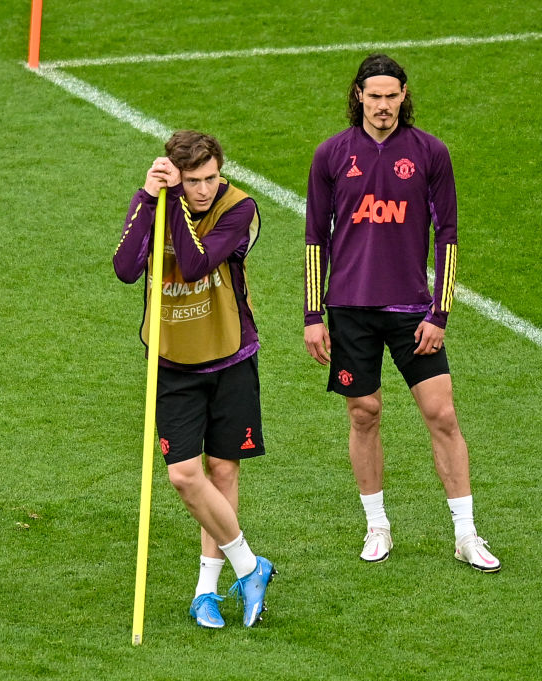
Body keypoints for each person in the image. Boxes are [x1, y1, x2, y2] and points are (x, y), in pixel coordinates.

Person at [303, 54, 500, 572]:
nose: (384, 106)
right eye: (375, 96)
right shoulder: (330, 155)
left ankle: (466, 534)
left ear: (404, 95)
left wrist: (441, 314)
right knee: (363, 414)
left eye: (393, 96)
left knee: (443, 415)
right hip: (348, 311)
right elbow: (314, 240)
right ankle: (377, 526)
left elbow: (449, 237)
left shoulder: (431, 153)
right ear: (359, 96)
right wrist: (312, 313)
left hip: (413, 311)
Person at [114, 130, 275, 628]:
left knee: (223, 473)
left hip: (229, 357)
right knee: (185, 475)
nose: (204, 189)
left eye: (211, 178)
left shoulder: (240, 208)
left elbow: (197, 260)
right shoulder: (157, 201)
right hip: (172, 364)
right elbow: (125, 268)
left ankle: (206, 590)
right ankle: (251, 566)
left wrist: (175, 203)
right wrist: (147, 197)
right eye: (194, 181)